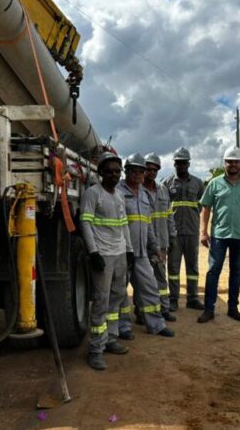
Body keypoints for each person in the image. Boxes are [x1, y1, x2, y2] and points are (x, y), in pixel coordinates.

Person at [80, 152, 132, 370]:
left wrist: (129, 250)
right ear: (100, 173)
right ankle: (96, 349)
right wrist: (93, 252)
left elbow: (123, 224)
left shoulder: (119, 195)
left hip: (119, 253)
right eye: (109, 171)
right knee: (101, 301)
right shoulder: (93, 194)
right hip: (103, 255)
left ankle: (111, 338)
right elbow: (85, 223)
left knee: (117, 297)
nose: (114, 175)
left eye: (117, 171)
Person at [197, 146, 240, 323]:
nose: (233, 164)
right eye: (229, 161)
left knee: (236, 272)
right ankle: (208, 309)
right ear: (224, 163)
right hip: (219, 235)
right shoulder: (215, 183)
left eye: (236, 161)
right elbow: (206, 208)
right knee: (213, 271)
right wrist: (203, 232)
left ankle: (233, 308)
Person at [117, 153, 175, 339]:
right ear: (126, 171)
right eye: (134, 170)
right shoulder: (118, 190)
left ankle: (156, 324)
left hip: (141, 252)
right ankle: (123, 327)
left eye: (141, 171)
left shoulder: (143, 194)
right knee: (120, 292)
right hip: (122, 252)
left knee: (150, 288)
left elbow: (148, 223)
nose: (138, 174)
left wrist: (155, 246)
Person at [163, 148, 206, 311]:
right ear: (174, 164)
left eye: (184, 163)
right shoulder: (167, 183)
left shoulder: (198, 183)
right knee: (173, 267)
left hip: (192, 231)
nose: (181, 165)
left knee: (192, 266)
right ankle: (173, 298)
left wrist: (195, 219)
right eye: (178, 163)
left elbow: (203, 204)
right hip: (174, 232)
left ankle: (193, 298)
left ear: (188, 164)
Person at [144, 152, 177, 322]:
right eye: (148, 169)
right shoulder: (138, 191)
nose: (151, 172)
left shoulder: (163, 190)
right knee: (143, 281)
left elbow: (169, 214)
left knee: (160, 278)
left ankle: (164, 309)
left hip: (161, 242)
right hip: (143, 243)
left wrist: (172, 236)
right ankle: (143, 313)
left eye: (154, 170)